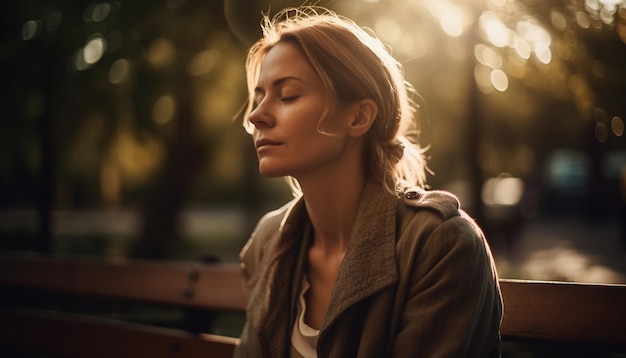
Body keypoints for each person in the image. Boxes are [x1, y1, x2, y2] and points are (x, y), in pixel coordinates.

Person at [234, 6, 502, 357]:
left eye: (287, 96)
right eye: (258, 97)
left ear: (359, 116)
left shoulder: (441, 245)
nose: (256, 116)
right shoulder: (268, 241)